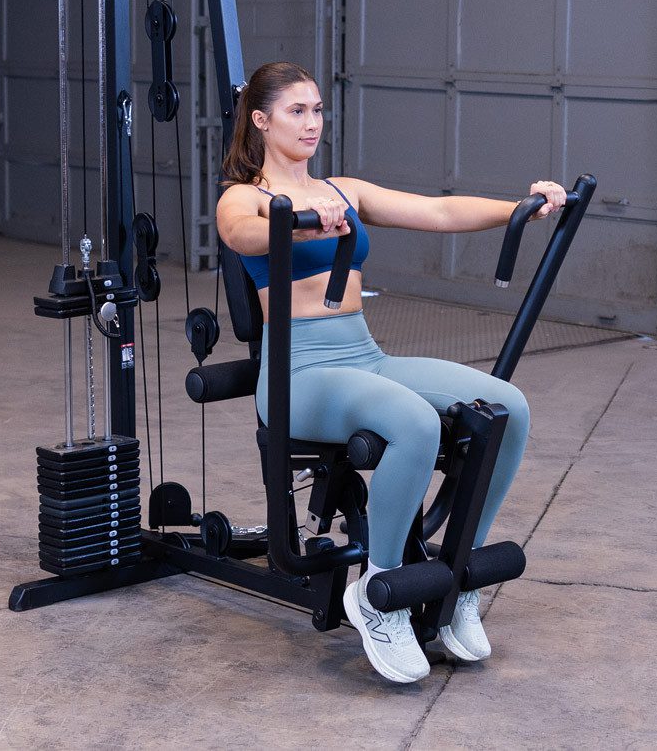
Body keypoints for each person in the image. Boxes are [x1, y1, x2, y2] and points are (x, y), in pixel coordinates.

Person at [216, 61, 566, 684]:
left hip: (363, 356)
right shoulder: (245, 198)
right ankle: (381, 595)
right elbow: (244, 235)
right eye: (296, 111)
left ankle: (457, 579)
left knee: (507, 407)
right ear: (261, 120)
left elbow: (438, 212)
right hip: (299, 374)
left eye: (317, 110)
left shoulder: (344, 190)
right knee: (413, 421)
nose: (312, 123)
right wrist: (299, 223)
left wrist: (521, 208)